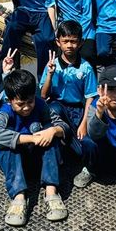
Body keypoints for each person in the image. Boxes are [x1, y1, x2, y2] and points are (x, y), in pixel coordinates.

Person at [0, 70, 69, 226]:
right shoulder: (5, 112)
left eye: (30, 102)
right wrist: (31, 138)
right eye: (20, 104)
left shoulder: (42, 106)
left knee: (51, 140)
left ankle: (51, 191)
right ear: (9, 100)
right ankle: (19, 197)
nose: (27, 107)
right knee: (9, 147)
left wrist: (52, 130)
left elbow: (64, 127)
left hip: (39, 162)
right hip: (16, 164)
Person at [39, 20, 97, 156]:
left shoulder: (86, 67)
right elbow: (43, 95)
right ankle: (63, 142)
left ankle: (73, 146)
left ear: (81, 42)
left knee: (84, 145)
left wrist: (84, 123)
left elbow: (90, 97)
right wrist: (50, 75)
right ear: (58, 42)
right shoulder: (52, 65)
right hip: (57, 107)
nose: (69, 45)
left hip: (78, 110)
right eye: (65, 41)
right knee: (54, 109)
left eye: (73, 41)